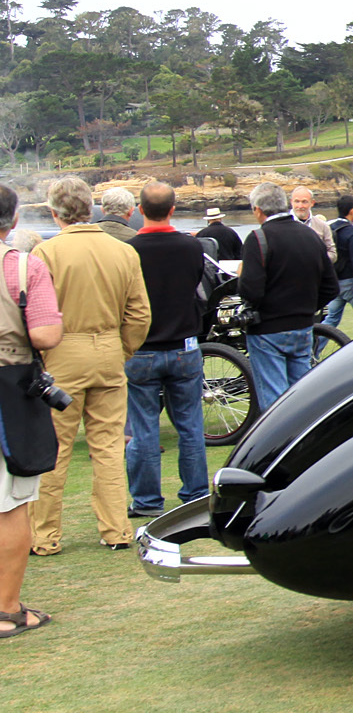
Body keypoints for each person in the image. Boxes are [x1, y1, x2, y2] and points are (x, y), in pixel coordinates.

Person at [28, 176, 151, 554]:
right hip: (109, 351)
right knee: (109, 445)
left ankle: (45, 535)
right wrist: (122, 349)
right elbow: (140, 315)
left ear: (54, 212)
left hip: (62, 353)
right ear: (91, 208)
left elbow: (35, 316)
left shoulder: (45, 254)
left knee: (56, 448)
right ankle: (116, 530)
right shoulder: (123, 251)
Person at [124, 182, 209, 518]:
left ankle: (146, 500)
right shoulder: (191, 246)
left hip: (143, 347)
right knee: (190, 424)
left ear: (139, 210)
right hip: (184, 345)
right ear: (173, 209)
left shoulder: (130, 250)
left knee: (143, 427)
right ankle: (197, 493)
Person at [0, 184, 62, 637]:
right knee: (10, 504)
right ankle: (6, 610)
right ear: (14, 220)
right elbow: (43, 335)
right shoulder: (23, 266)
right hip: (10, 387)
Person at [238, 181, 338, 411]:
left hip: (268, 327)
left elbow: (251, 290)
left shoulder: (258, 238)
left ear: (258, 210)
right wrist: (307, 307)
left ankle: (280, 445)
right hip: (302, 323)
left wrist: (243, 283)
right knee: (302, 398)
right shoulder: (310, 235)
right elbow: (330, 286)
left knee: (275, 404)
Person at [323, 194, 353, 335]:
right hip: (350, 281)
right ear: (352, 210)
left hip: (334, 280)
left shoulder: (330, 228)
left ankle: (315, 348)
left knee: (331, 319)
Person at [290, 187, 338, 265]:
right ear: (291, 202)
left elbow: (332, 253)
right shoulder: (281, 224)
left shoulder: (322, 226)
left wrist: (317, 260)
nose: (300, 206)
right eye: (297, 201)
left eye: (304, 202)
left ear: (312, 203)